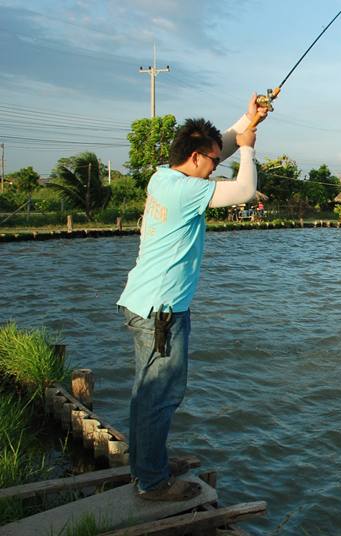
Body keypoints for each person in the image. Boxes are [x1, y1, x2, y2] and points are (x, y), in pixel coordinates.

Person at [117, 94, 269, 501]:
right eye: (214, 162)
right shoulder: (187, 192)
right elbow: (244, 190)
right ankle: (151, 482)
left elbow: (221, 141)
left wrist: (249, 119)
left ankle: (148, 464)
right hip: (162, 312)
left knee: (146, 393)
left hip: (145, 304)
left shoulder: (162, 177)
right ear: (198, 158)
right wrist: (250, 148)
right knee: (161, 395)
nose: (215, 167)